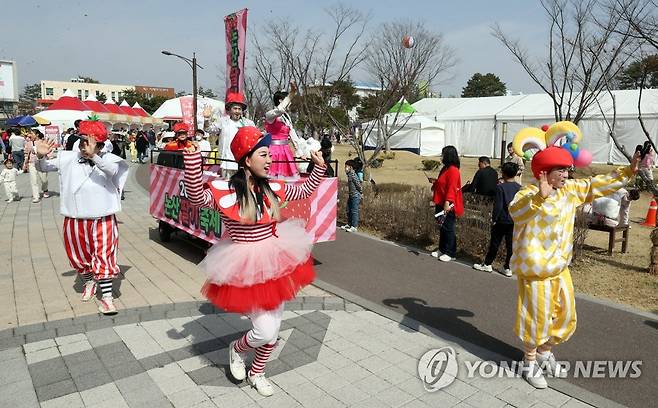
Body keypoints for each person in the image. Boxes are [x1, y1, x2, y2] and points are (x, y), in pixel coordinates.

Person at [181, 126, 326, 397]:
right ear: (246, 159)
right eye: (264, 154)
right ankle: (237, 349)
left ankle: (257, 372)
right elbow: (195, 198)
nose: (270, 159)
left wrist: (318, 167)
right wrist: (192, 162)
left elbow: (304, 190)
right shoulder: (225, 190)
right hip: (244, 263)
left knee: (274, 327)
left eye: (270, 154)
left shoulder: (272, 186)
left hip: (277, 257)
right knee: (265, 329)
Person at [508, 122, 639, 389]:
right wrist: (539, 199)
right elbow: (516, 212)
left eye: (568, 168)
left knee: (564, 316)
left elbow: (595, 185)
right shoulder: (529, 193)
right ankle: (529, 362)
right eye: (561, 169)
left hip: (560, 268)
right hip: (536, 270)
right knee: (537, 317)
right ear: (544, 171)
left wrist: (628, 171)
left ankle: (545, 352)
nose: (567, 173)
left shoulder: (570, 192)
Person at [35, 120, 129, 315]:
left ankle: (108, 298)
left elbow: (110, 171)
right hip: (74, 218)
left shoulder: (110, 159)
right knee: (79, 258)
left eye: (93, 142)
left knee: (104, 257)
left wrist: (94, 156)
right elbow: (43, 167)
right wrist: (40, 155)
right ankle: (88, 282)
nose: (85, 145)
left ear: (102, 145)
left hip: (103, 219)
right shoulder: (67, 157)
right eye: (84, 141)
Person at [473, 162, 521, 277]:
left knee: (495, 243)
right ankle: (507, 267)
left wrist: (494, 218)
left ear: (503, 173)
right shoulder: (519, 188)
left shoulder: (500, 188)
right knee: (511, 245)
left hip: (501, 220)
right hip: (514, 220)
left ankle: (488, 264)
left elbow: (498, 206)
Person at [430, 146, 464, 262]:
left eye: (443, 154)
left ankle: (450, 252)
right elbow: (442, 183)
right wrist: (435, 182)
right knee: (442, 227)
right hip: (440, 201)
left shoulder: (453, 170)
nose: (441, 156)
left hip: (448, 203)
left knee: (448, 227)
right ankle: (442, 249)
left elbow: (452, 188)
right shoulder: (445, 168)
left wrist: (447, 202)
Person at [210, 92, 254, 178]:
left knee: (243, 184)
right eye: (235, 108)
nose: (237, 111)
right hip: (227, 160)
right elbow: (210, 129)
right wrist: (207, 119)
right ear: (230, 110)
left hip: (243, 160)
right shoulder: (223, 122)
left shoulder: (248, 123)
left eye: (239, 109)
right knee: (227, 185)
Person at [264, 83, 302, 178]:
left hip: (286, 151)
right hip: (273, 151)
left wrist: (299, 151)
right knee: (272, 178)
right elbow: (280, 110)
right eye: (288, 100)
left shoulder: (287, 117)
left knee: (286, 179)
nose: (290, 103)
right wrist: (291, 94)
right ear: (281, 100)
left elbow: (292, 134)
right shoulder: (270, 115)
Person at [23, 129, 50, 203]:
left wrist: (49, 158)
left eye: (31, 133)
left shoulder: (42, 142)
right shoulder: (28, 143)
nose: (29, 135)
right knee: (33, 180)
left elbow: (48, 151)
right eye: (29, 133)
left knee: (44, 179)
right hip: (32, 163)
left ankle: (45, 189)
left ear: (37, 134)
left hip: (41, 162)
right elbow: (26, 153)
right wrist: (25, 164)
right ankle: (36, 196)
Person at [340, 160, 363, 232]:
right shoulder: (349, 174)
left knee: (354, 210)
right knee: (349, 209)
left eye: (346, 166)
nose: (345, 168)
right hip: (351, 195)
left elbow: (358, 184)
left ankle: (354, 226)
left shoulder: (353, 174)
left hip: (355, 195)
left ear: (351, 167)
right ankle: (349, 224)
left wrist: (361, 192)